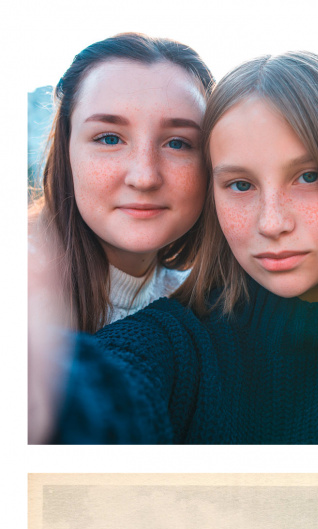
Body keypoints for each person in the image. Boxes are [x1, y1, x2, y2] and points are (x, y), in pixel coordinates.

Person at [32, 51, 318, 445]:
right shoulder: (178, 340)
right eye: (239, 184)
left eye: (308, 177)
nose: (272, 223)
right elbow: (110, 390)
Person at [30, 32, 213, 332]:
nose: (144, 177)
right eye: (110, 139)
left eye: (177, 143)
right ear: (67, 149)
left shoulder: (213, 312)